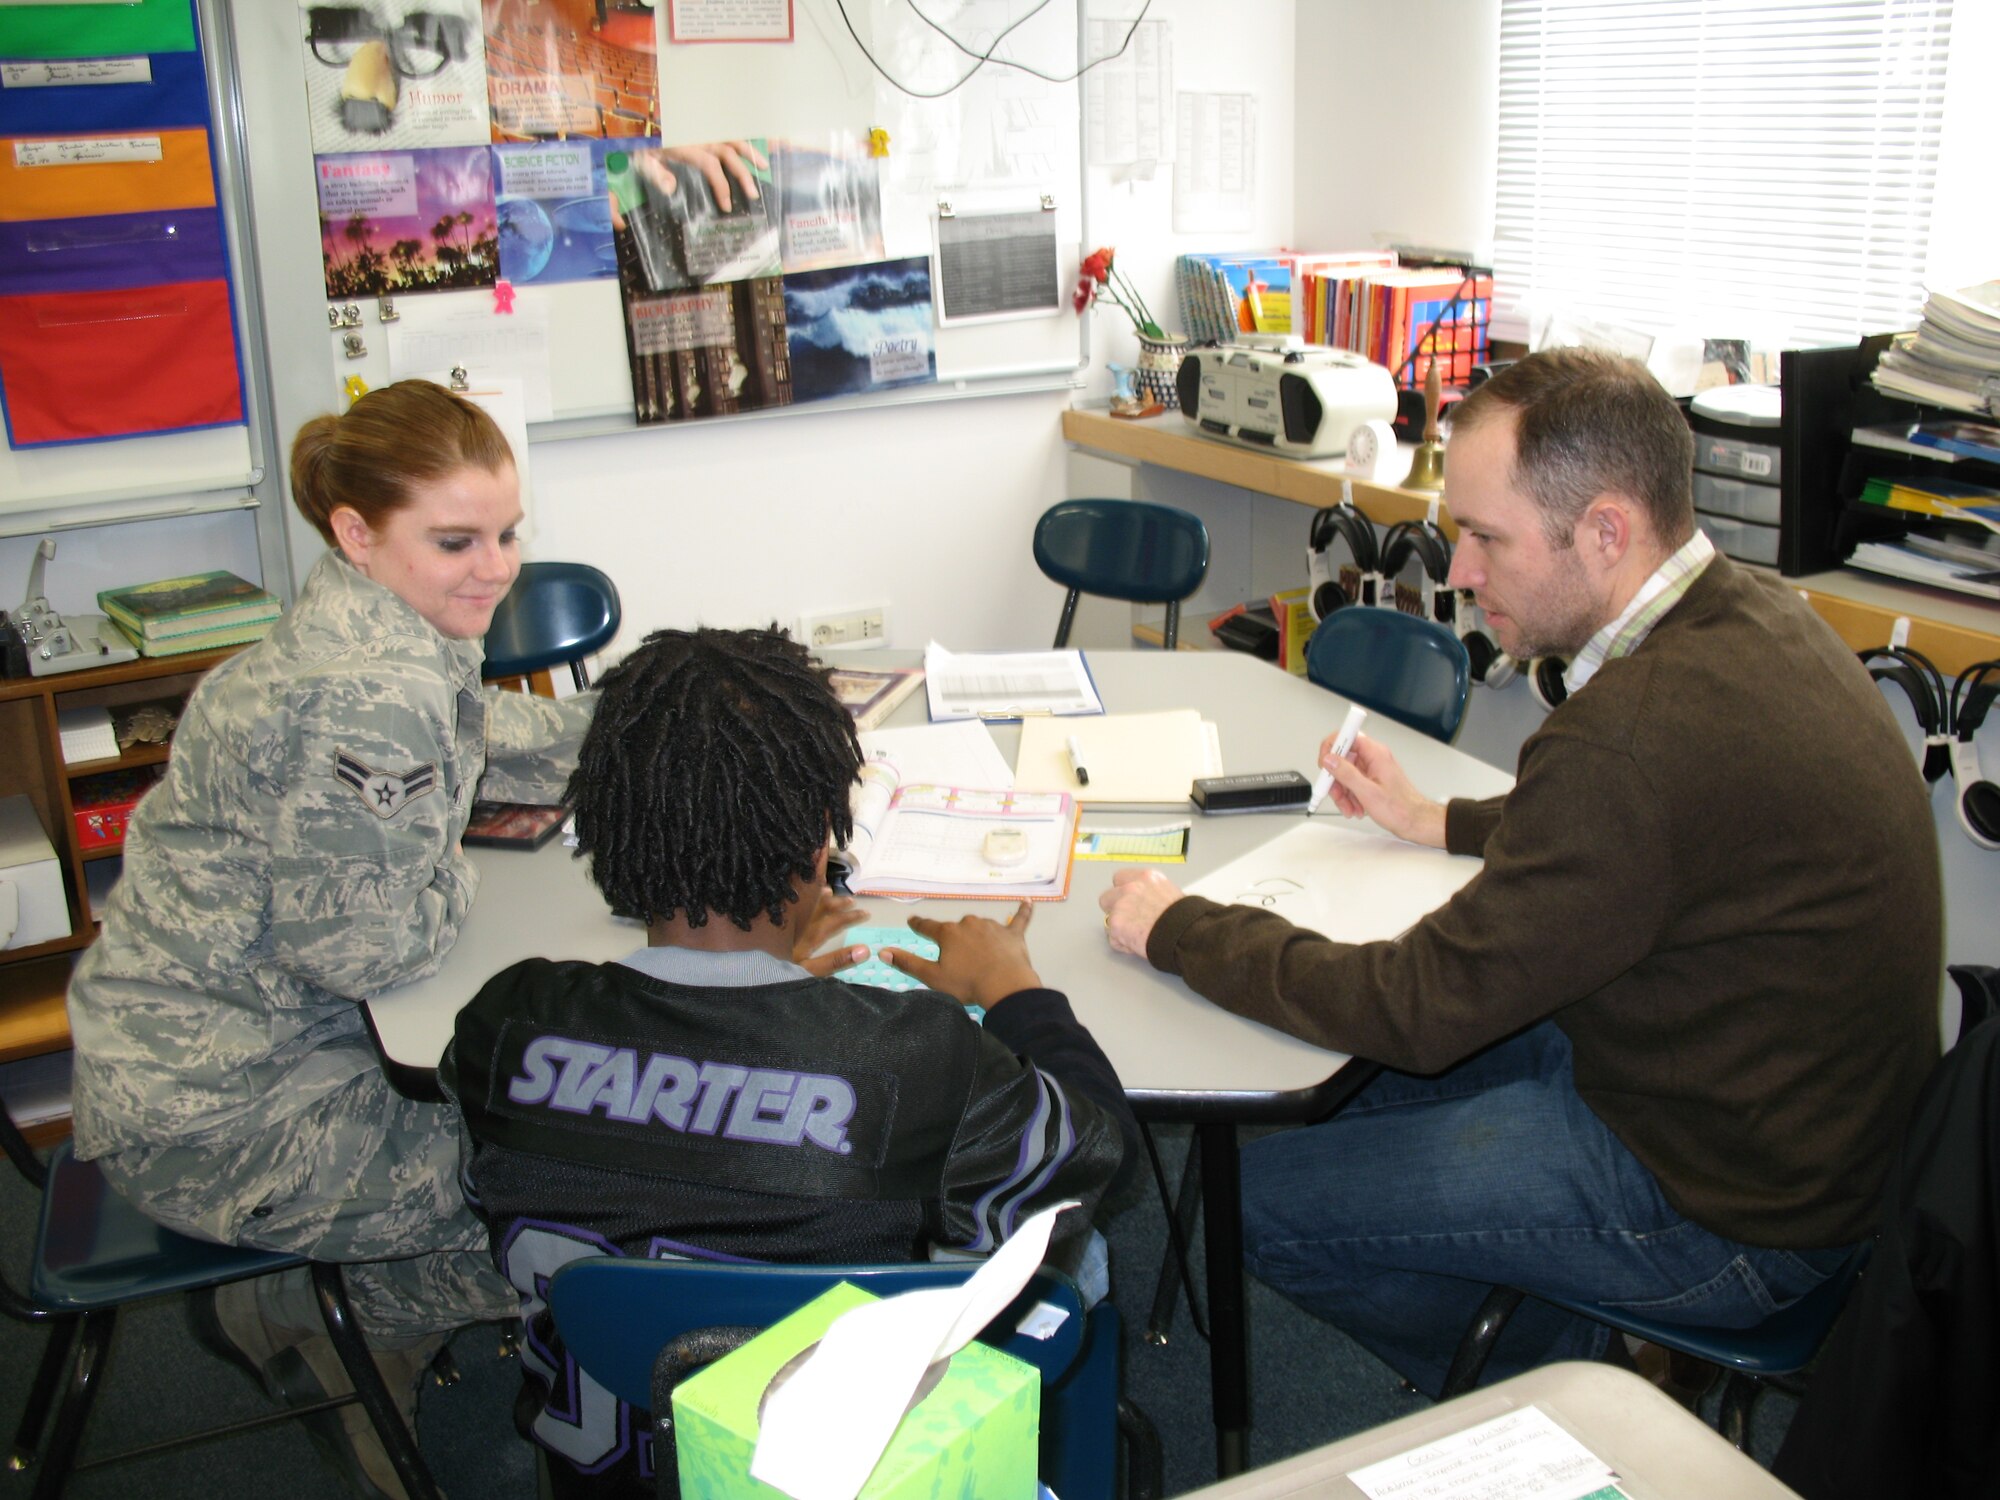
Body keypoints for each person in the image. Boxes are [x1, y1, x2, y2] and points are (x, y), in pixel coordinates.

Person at [1098, 348, 1942, 1398]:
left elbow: (1416, 1006)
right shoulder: (1751, 617)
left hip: (1731, 1216)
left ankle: (1555, 1384)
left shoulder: (1629, 734)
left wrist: (1178, 929)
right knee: (1333, 1100)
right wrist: (1436, 817)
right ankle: (1537, 1305)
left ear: (1602, 531)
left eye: (1484, 538)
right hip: (1778, 1126)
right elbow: (1640, 826)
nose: (1456, 571)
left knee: (1253, 1197)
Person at [67, 381, 619, 1499]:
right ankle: (312, 1317)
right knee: (572, 1185)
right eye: (456, 539)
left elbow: (484, 733)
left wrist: (643, 715)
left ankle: (351, 1304)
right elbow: (366, 955)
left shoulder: (370, 624)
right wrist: (449, 868)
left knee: (553, 1115)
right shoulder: (365, 689)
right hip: (223, 1111)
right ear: (357, 532)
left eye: (508, 533)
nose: (497, 566)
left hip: (198, 1052)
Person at [441, 625, 1137, 1500]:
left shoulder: (502, 1026)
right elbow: (1101, 1146)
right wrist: (1016, 992)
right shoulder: (926, 1062)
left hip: (614, 1469)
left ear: (606, 833)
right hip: (848, 1469)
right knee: (1085, 1254)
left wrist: (767, 998)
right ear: (821, 845)